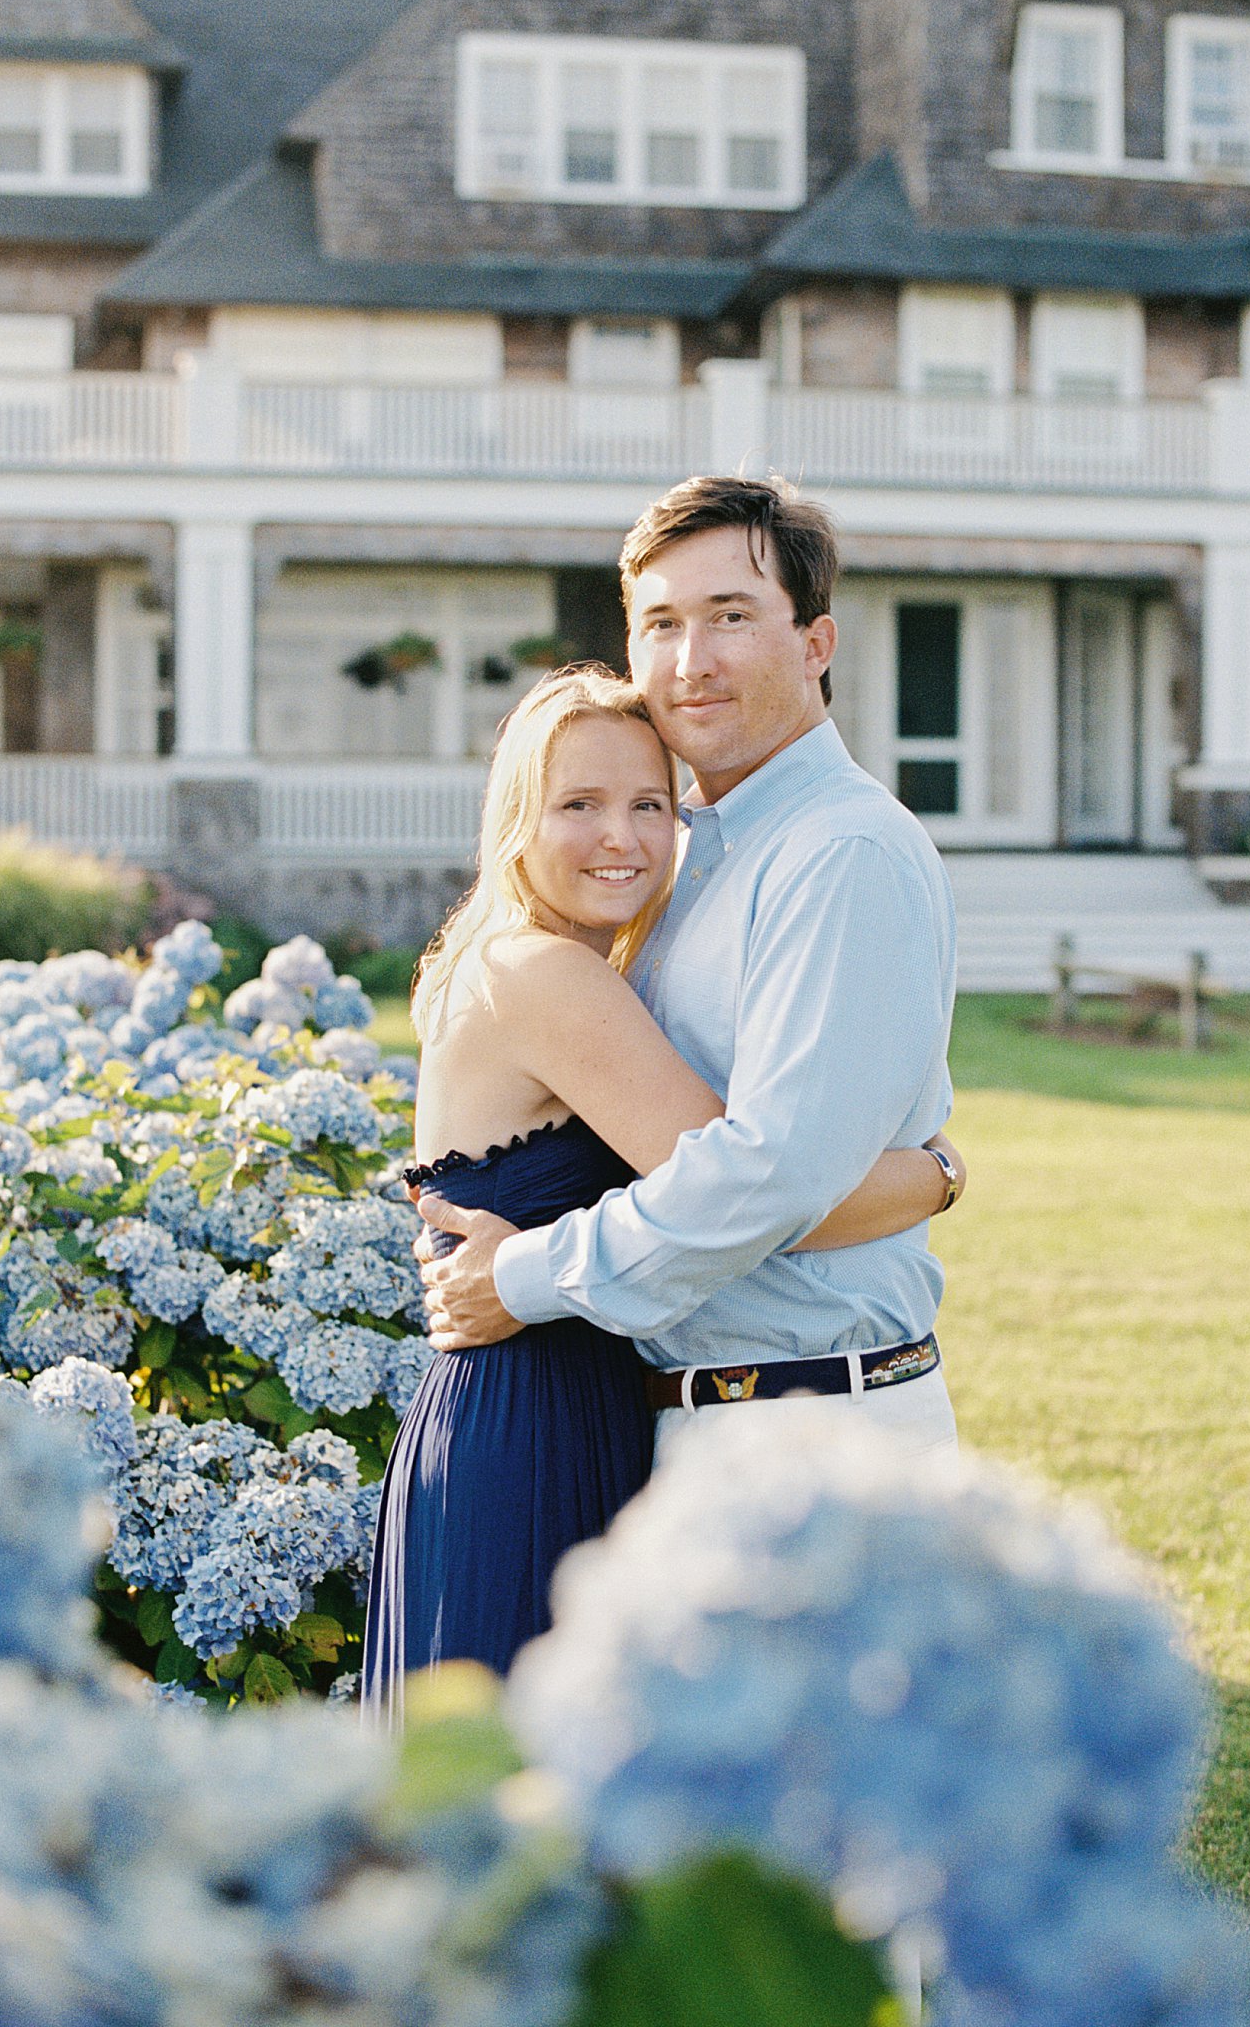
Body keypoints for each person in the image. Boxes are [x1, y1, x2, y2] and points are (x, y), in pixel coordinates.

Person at [361, 664, 962, 1723]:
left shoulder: (528, 961)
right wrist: (937, 1174)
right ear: (517, 819)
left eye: (649, 803)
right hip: (536, 1420)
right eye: (578, 804)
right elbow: (766, 1194)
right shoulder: (547, 974)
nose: (621, 836)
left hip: (548, 1397)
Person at [416, 475, 962, 1473]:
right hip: (687, 1422)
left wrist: (526, 1272)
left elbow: (772, 1173)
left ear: (815, 645)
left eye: (731, 616)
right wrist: (934, 1177)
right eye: (660, 622)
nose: (690, 660)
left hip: (814, 1428)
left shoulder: (838, 850)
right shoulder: (679, 865)